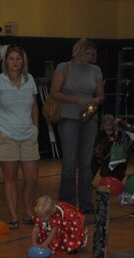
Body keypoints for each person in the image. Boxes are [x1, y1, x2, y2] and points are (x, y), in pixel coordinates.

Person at [0, 45, 39, 230]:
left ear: (23, 62)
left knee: (32, 178)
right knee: (10, 177)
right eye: (11, 58)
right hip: (7, 136)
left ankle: (28, 211)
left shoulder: (29, 80)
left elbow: (34, 106)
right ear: (6, 61)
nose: (15, 62)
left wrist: (36, 127)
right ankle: (13, 216)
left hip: (28, 134)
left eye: (18, 59)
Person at [50, 38, 105, 214]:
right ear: (79, 52)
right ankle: (66, 203)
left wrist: (97, 100)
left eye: (92, 54)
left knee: (86, 163)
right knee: (69, 163)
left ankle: (86, 204)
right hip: (68, 117)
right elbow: (54, 92)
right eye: (87, 53)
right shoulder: (64, 67)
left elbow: (100, 94)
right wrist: (75, 100)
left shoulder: (95, 70)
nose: (89, 57)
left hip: (89, 119)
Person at [91, 114, 129, 180]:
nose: (108, 127)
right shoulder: (101, 133)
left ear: (113, 125)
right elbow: (97, 146)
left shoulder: (117, 133)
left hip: (115, 156)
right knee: (95, 162)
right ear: (103, 125)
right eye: (106, 125)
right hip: (103, 156)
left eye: (110, 125)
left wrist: (120, 122)